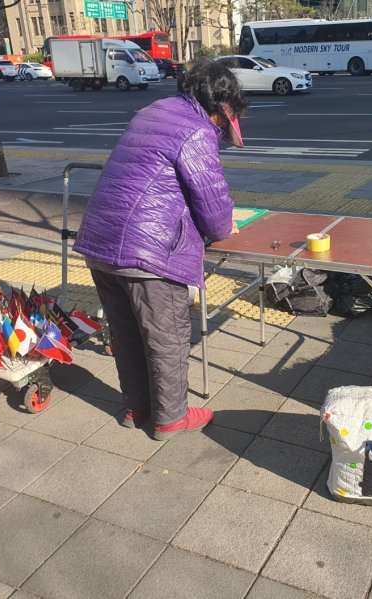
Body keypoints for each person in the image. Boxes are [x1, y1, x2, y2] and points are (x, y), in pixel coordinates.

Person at [73, 59, 247, 441]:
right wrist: (224, 226)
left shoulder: (153, 111)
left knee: (127, 333)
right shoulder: (197, 130)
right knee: (166, 337)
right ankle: (171, 418)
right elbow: (215, 210)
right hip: (149, 253)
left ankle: (138, 409)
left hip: (101, 241)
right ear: (223, 107)